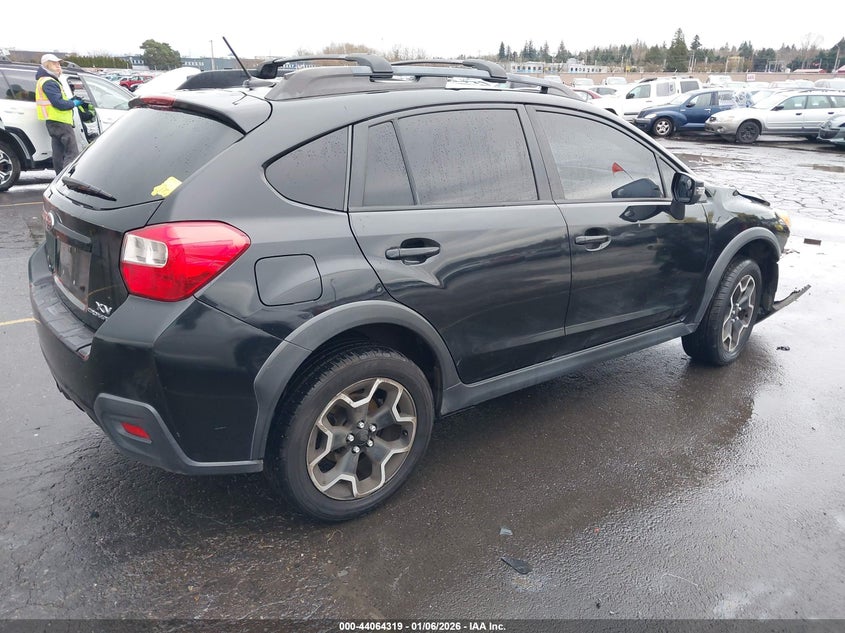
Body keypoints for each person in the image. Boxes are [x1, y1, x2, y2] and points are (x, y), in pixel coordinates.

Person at [35, 53, 84, 173]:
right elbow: (59, 103)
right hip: (61, 122)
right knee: (71, 152)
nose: (58, 66)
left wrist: (70, 101)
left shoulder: (45, 80)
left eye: (58, 64)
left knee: (58, 153)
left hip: (53, 121)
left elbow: (56, 100)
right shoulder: (49, 81)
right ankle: (67, 176)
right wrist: (73, 103)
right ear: (47, 65)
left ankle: (59, 177)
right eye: (54, 64)